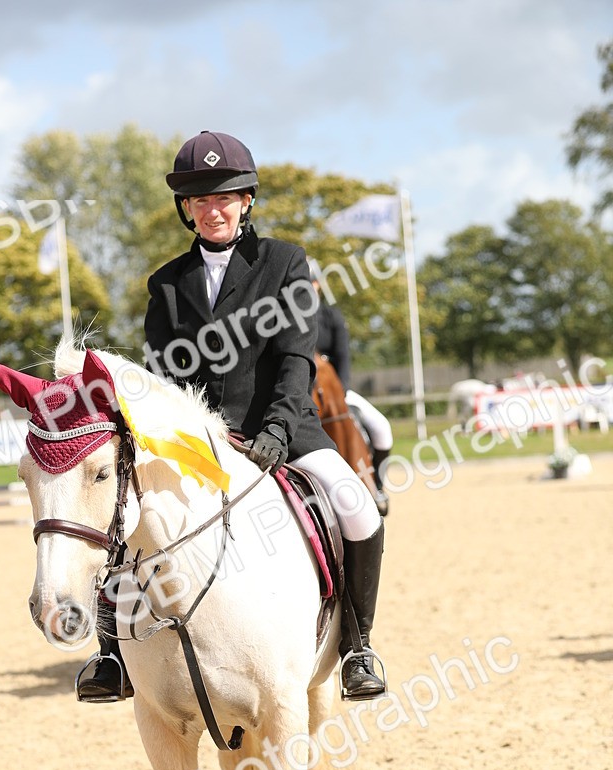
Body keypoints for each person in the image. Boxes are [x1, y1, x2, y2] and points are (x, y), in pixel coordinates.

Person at [77, 131, 386, 705]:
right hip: (197, 445)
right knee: (124, 519)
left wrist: (275, 431)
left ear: (246, 200)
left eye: (224, 197)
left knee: (356, 506)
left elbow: (297, 360)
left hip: (284, 433)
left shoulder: (285, 264)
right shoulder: (167, 284)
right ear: (186, 210)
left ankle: (358, 646)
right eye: (199, 201)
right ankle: (112, 656)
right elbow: (165, 380)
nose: (212, 209)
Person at [311, 277, 393, 513]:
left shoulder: (331, 316)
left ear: (318, 284)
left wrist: (342, 391)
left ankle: (377, 486)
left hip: (335, 391)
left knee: (381, 427)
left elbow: (343, 355)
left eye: (309, 282)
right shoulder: (288, 318)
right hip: (304, 393)